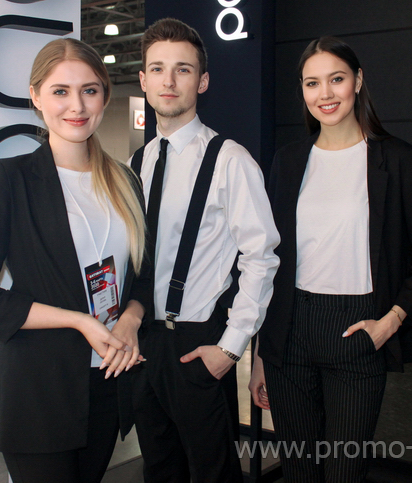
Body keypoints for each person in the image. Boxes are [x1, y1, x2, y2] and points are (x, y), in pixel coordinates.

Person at [249, 36, 412, 482]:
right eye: (312, 83)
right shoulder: (288, 160)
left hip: (358, 330)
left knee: (344, 473)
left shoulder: (396, 159)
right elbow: (270, 262)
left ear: (357, 81)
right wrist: (261, 354)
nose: (325, 93)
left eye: (336, 79)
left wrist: (390, 322)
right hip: (290, 330)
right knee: (299, 471)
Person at [0, 38, 149, 483]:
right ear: (36, 96)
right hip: (37, 392)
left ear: (105, 96)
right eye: (61, 91)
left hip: (106, 384)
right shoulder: (11, 178)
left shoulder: (125, 181)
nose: (76, 105)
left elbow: (143, 275)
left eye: (89, 90)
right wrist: (79, 321)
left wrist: (130, 319)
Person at [129, 18, 280, 483]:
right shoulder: (137, 162)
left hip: (197, 345)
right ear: (143, 80)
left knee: (213, 476)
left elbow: (262, 259)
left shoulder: (230, 160)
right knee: (159, 470)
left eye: (183, 69)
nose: (169, 81)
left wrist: (230, 349)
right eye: (158, 69)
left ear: (203, 81)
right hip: (143, 344)